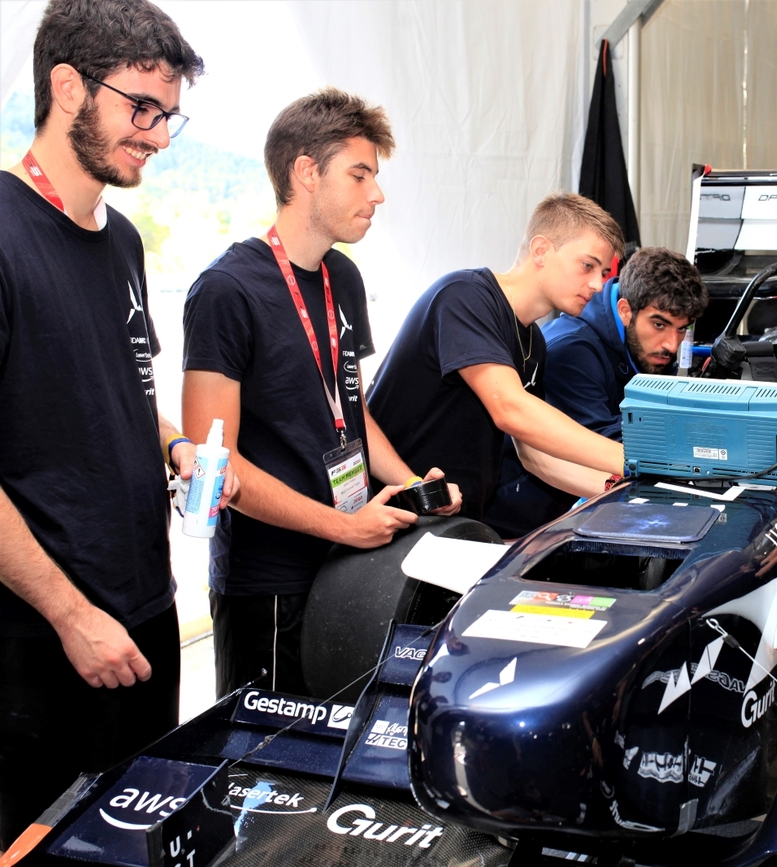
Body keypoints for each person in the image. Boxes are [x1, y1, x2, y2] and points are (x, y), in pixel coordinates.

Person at [0, 0, 227, 849]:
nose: (161, 137)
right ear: (67, 87)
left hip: (145, 615)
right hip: (42, 636)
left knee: (144, 836)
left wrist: (174, 445)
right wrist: (68, 612)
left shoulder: (124, 239)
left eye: (170, 114)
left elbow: (122, 388)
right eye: (142, 108)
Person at [181, 89, 460, 699]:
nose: (377, 195)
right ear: (306, 172)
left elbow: (349, 408)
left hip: (350, 567)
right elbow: (212, 460)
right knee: (268, 767)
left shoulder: (344, 276)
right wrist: (341, 524)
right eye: (359, 175)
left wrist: (416, 484)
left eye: (376, 178)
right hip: (270, 585)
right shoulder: (226, 291)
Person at [367, 193, 627, 523]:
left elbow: (533, 455)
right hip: (395, 514)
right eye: (587, 266)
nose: (596, 284)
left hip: (455, 521)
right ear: (541, 250)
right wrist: (631, 458)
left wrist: (619, 488)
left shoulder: (534, 341)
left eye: (603, 272)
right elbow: (509, 408)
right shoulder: (465, 296)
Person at [483, 247, 709, 537]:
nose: (671, 344)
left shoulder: (642, 344)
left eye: (681, 330)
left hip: (569, 509)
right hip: (510, 523)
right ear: (625, 310)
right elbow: (606, 445)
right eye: (659, 324)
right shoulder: (572, 350)